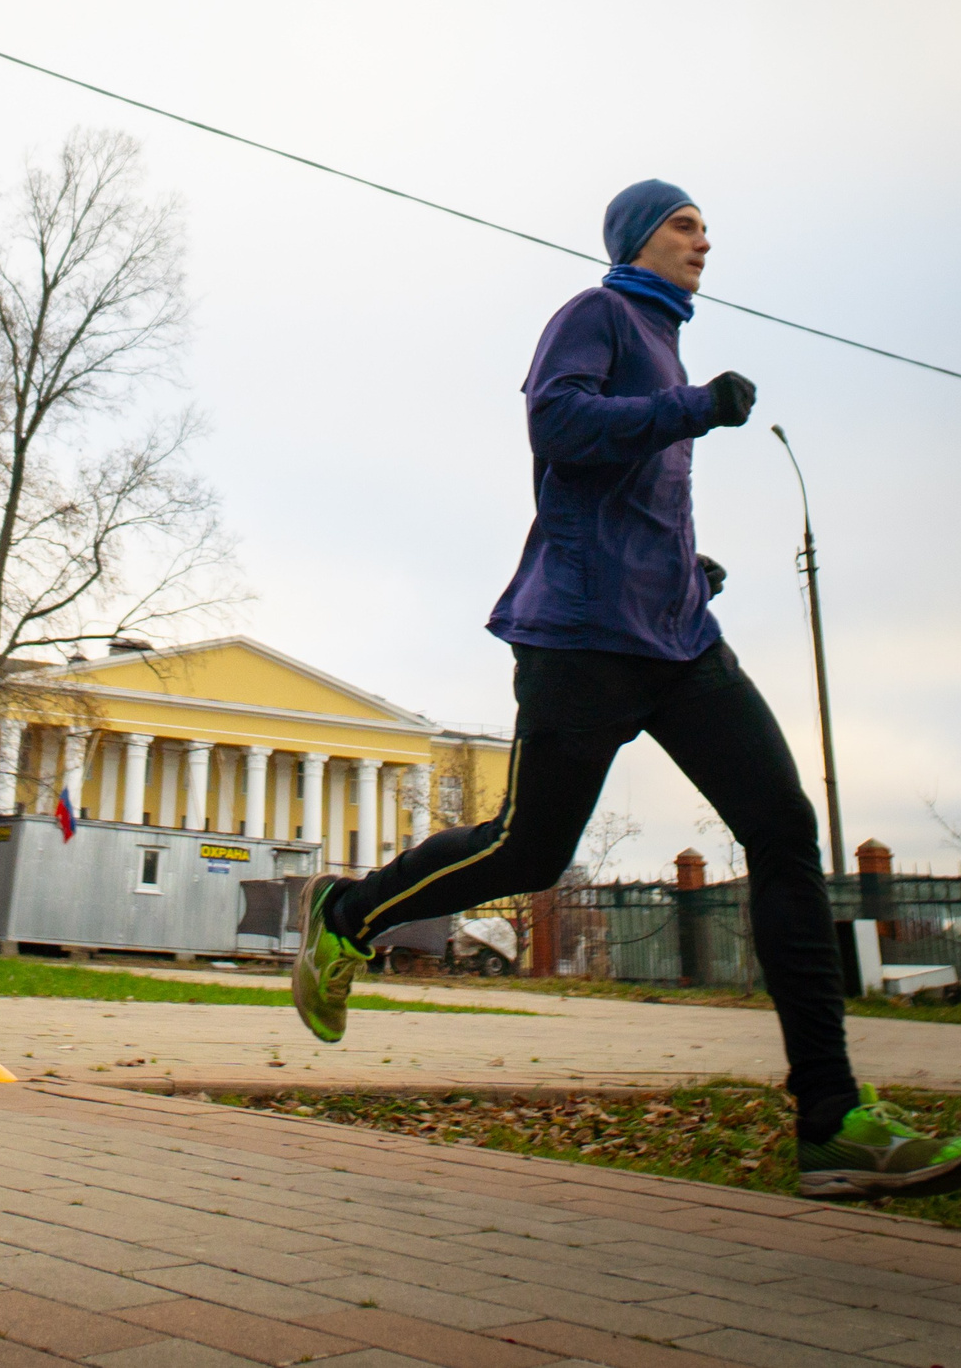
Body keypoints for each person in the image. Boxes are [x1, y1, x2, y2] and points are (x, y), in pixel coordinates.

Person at [292, 179, 961, 1202]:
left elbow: (637, 501)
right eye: (684, 223)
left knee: (783, 830)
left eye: (702, 224)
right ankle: (349, 914)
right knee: (529, 848)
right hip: (581, 640)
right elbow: (560, 430)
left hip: (678, 638)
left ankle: (830, 1122)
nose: (703, 238)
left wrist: (690, 573)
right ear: (636, 238)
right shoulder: (595, 316)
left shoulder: (665, 343)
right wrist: (691, 409)